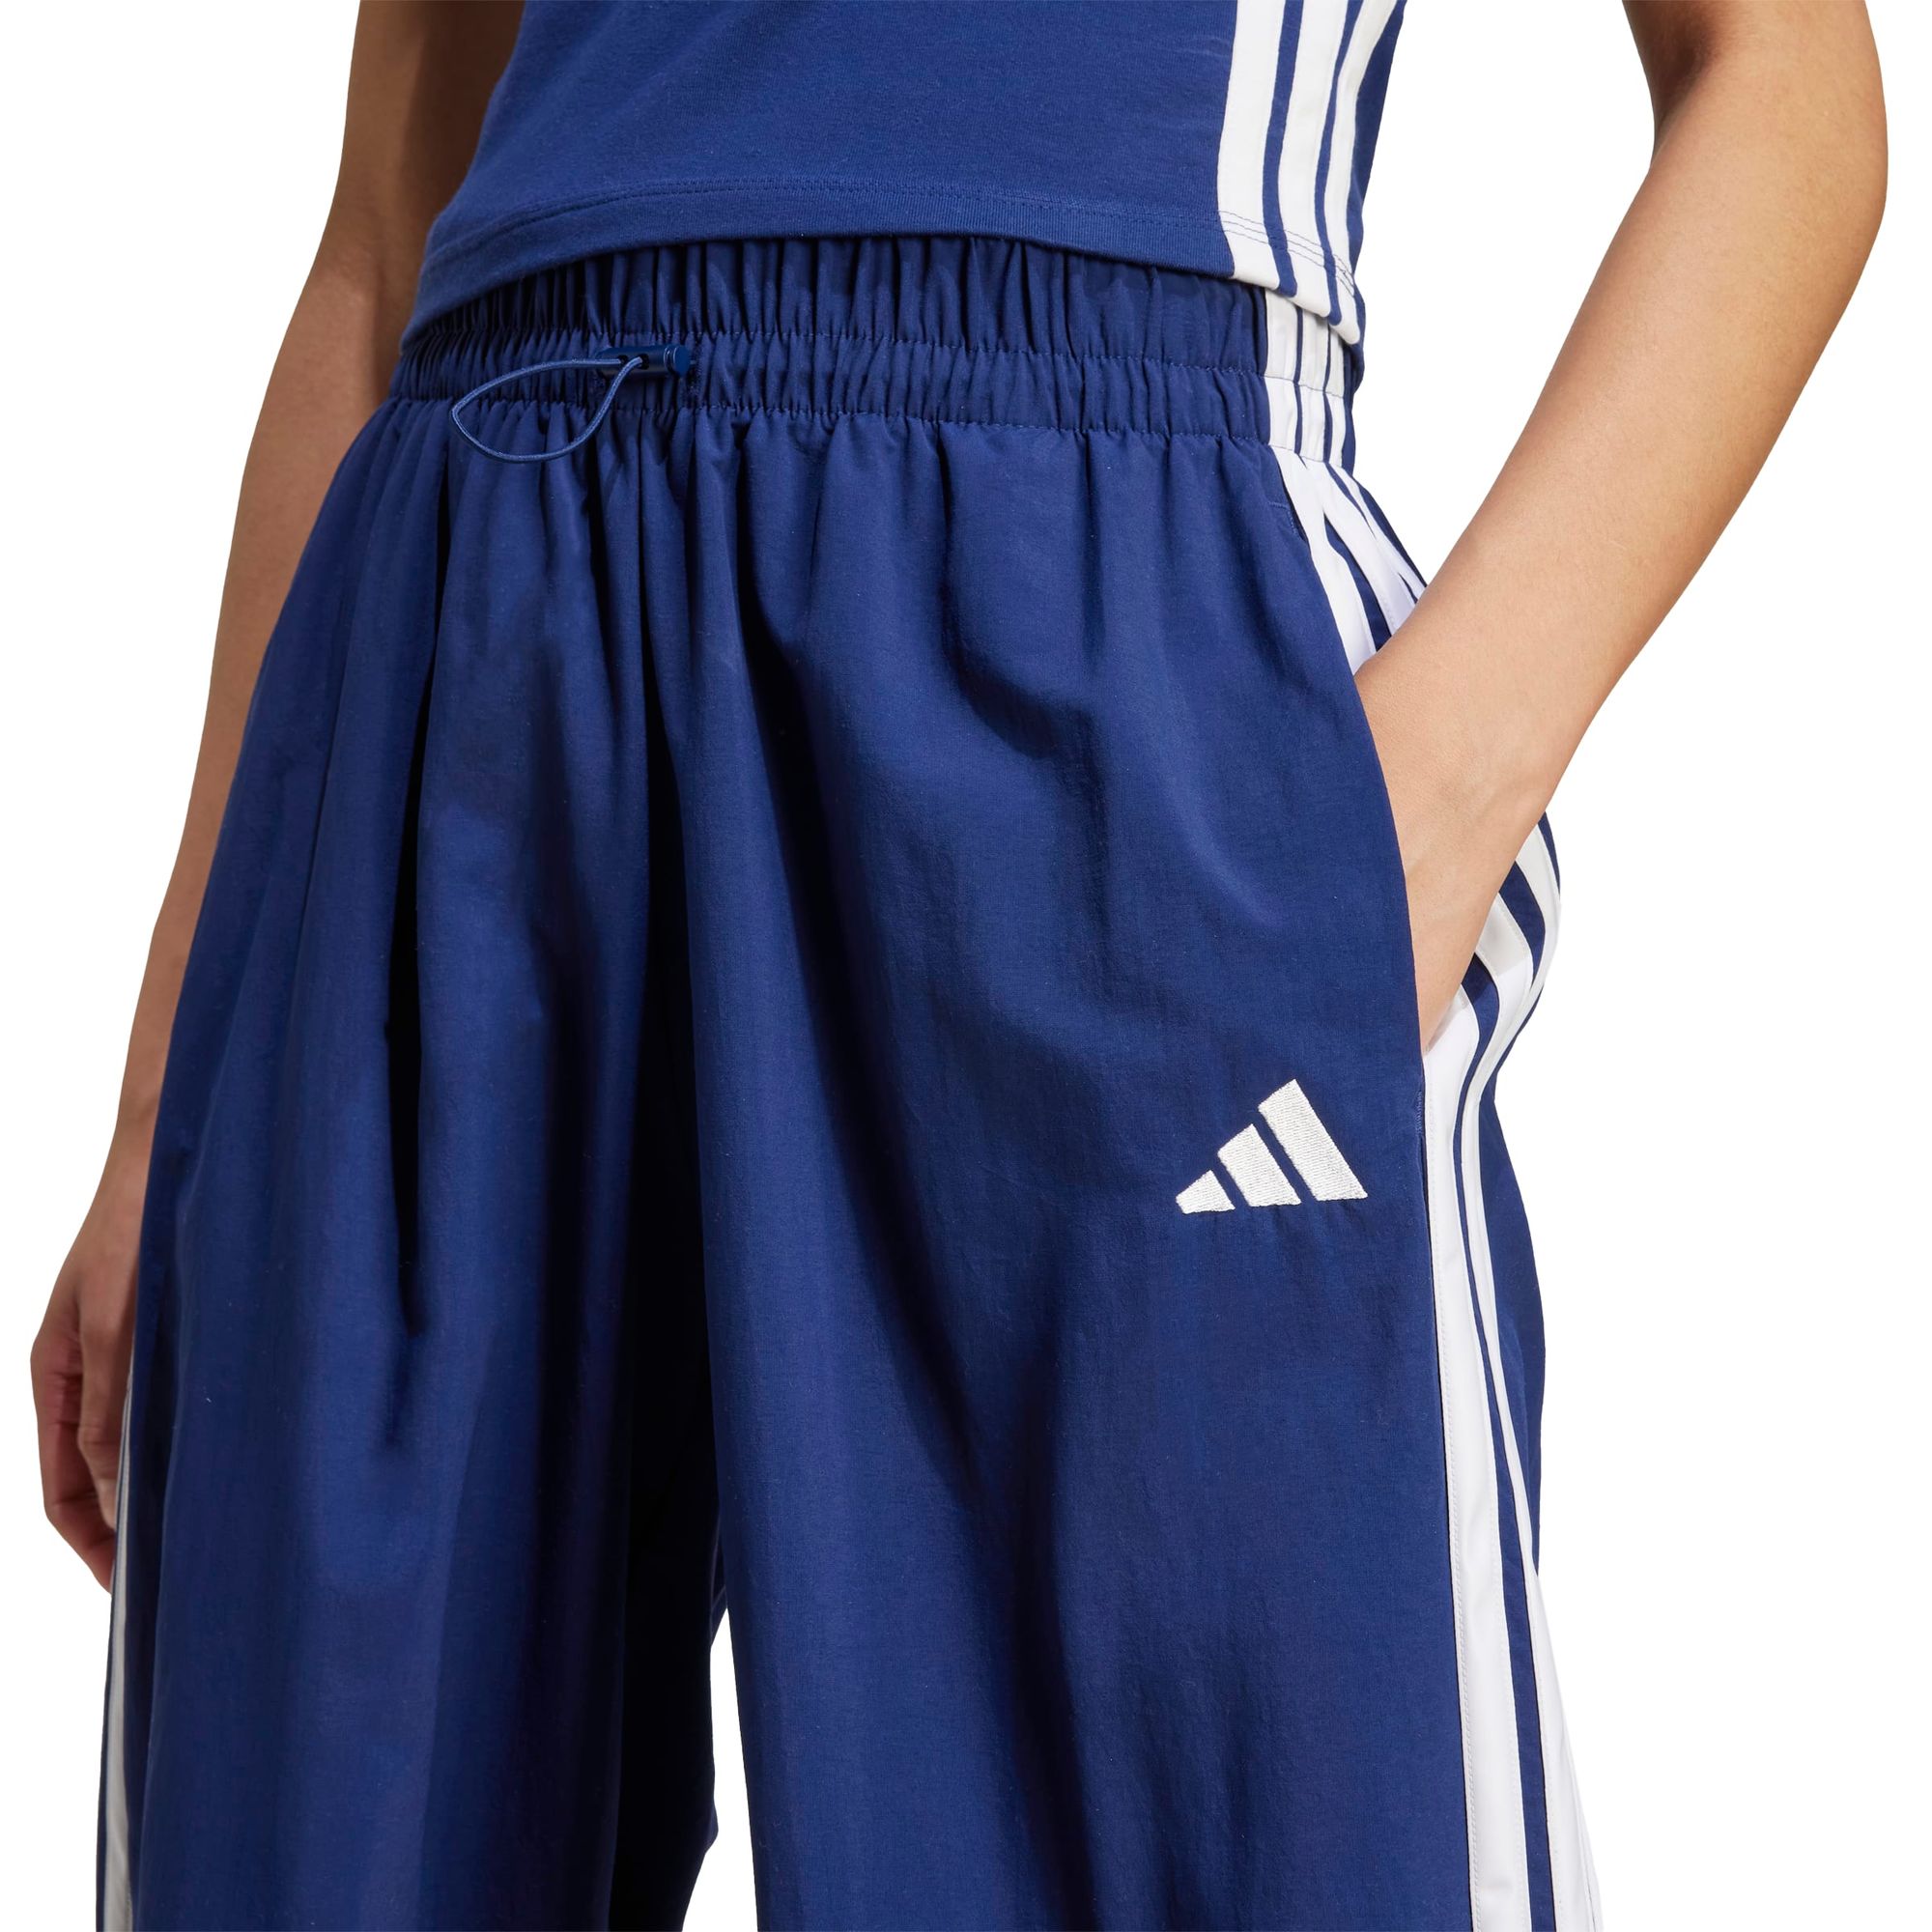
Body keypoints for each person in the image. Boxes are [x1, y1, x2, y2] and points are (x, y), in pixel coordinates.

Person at [32, 3, 1884, 1927]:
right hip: (468, 626)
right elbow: (387, 221)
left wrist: (1409, 825)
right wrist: (171, 1093)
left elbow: (1781, 80)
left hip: (1078, 579)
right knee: (316, 1844)